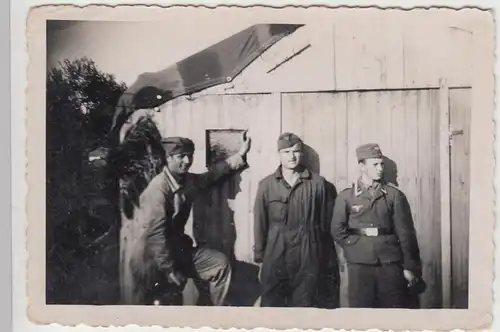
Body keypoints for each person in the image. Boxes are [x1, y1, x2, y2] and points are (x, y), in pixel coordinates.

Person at [125, 132, 251, 305]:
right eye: (181, 156)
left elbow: (210, 176)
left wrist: (239, 155)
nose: (187, 161)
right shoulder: (158, 190)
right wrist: (169, 271)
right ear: (168, 158)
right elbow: (155, 237)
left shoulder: (187, 181)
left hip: (177, 251)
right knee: (154, 312)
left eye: (190, 156)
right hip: (151, 261)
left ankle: (217, 320)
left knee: (219, 264)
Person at [331, 143, 423, 308]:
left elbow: (406, 235)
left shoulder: (394, 196)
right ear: (362, 166)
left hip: (390, 262)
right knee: (362, 311)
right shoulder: (346, 197)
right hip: (359, 265)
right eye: (375, 164)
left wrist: (409, 267)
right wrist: (356, 248)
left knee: (393, 311)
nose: (380, 168)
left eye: (381, 164)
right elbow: (337, 230)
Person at [253, 132, 338, 307]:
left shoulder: (318, 184)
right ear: (279, 154)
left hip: (308, 256)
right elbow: (260, 223)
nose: (291, 156)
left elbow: (325, 226)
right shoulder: (266, 185)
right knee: (271, 307)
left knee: (305, 306)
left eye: (296, 151)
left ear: (302, 153)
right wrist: (260, 258)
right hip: (276, 254)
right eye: (286, 152)